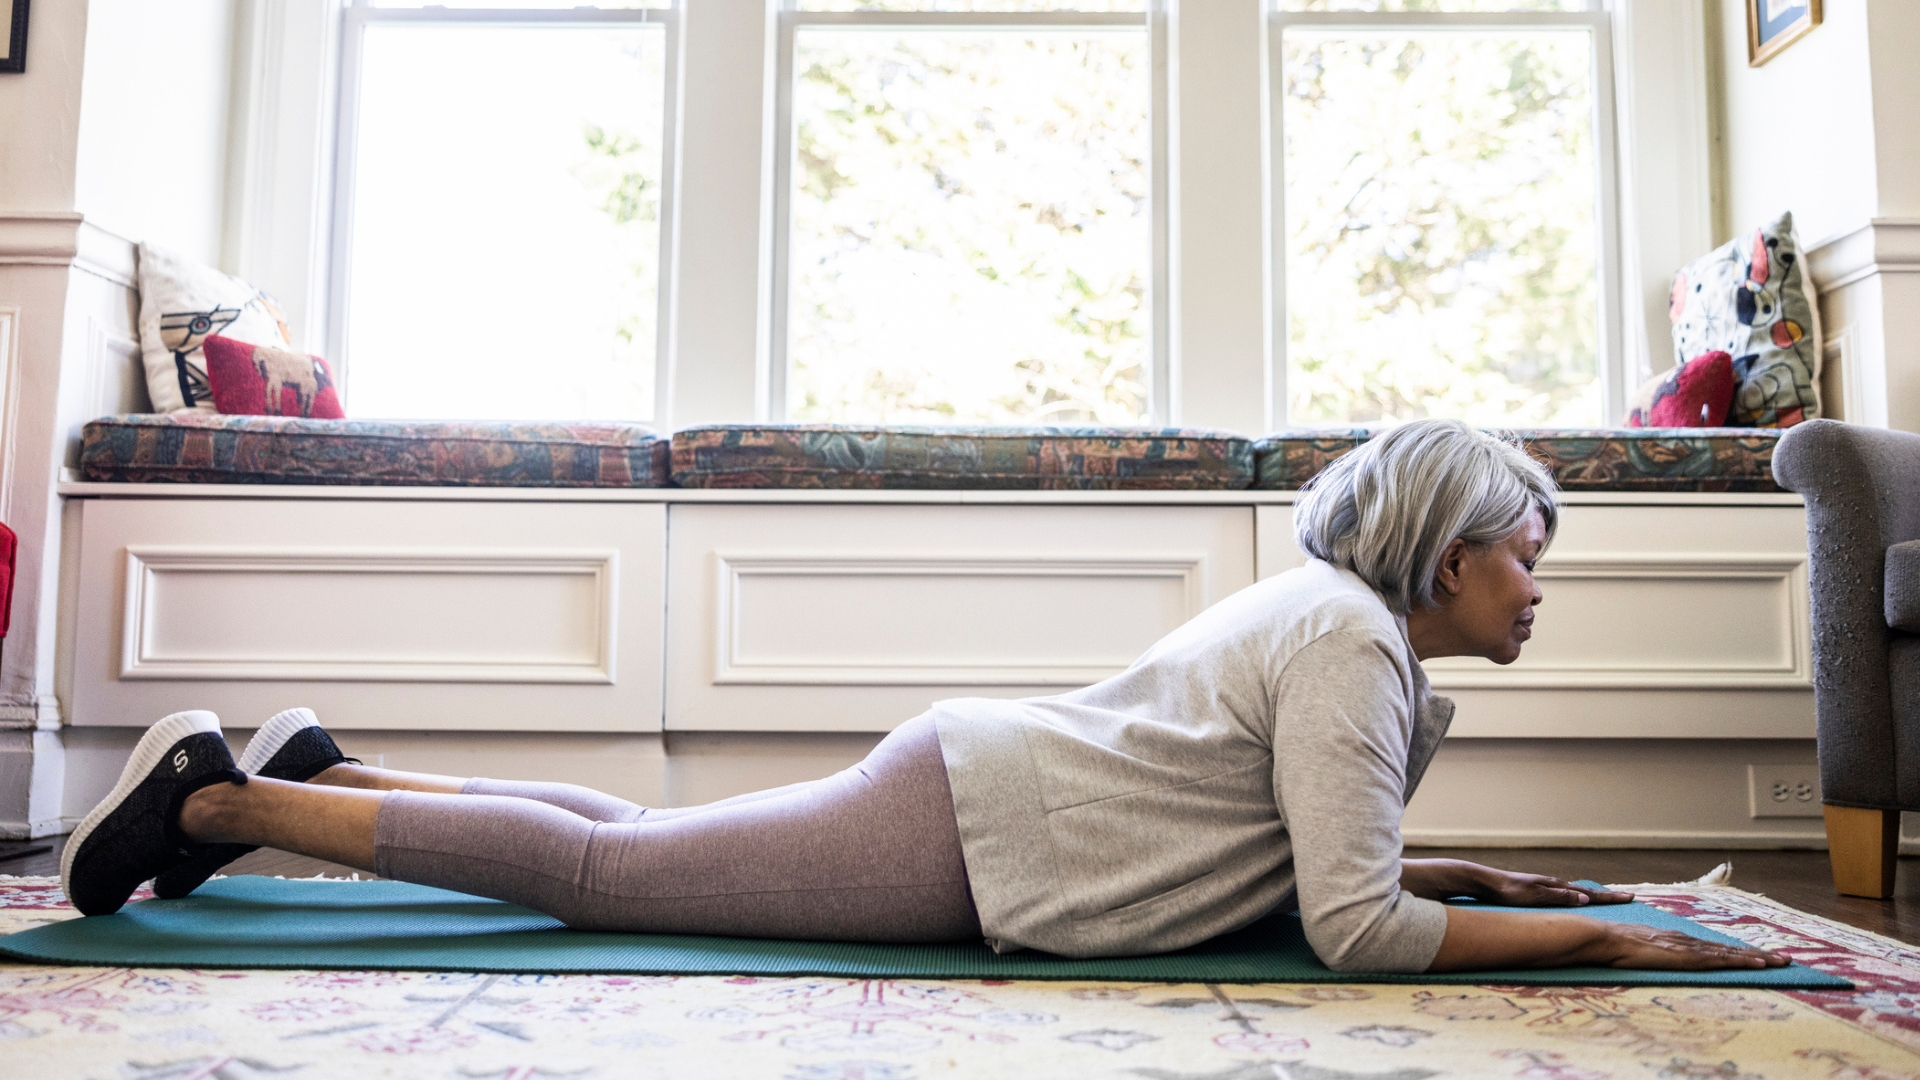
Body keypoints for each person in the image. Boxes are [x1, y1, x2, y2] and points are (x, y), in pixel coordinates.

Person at [62, 419, 1785, 975]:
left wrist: (1467, 880)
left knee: (644, 846)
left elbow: (1312, 854)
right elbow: (1353, 931)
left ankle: (330, 766)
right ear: (1434, 551)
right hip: (982, 824)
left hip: (981, 791)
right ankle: (218, 800)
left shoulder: (1339, 623)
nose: (1538, 584)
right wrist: (1611, 941)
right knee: (614, 883)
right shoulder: (1348, 643)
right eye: (1520, 552)